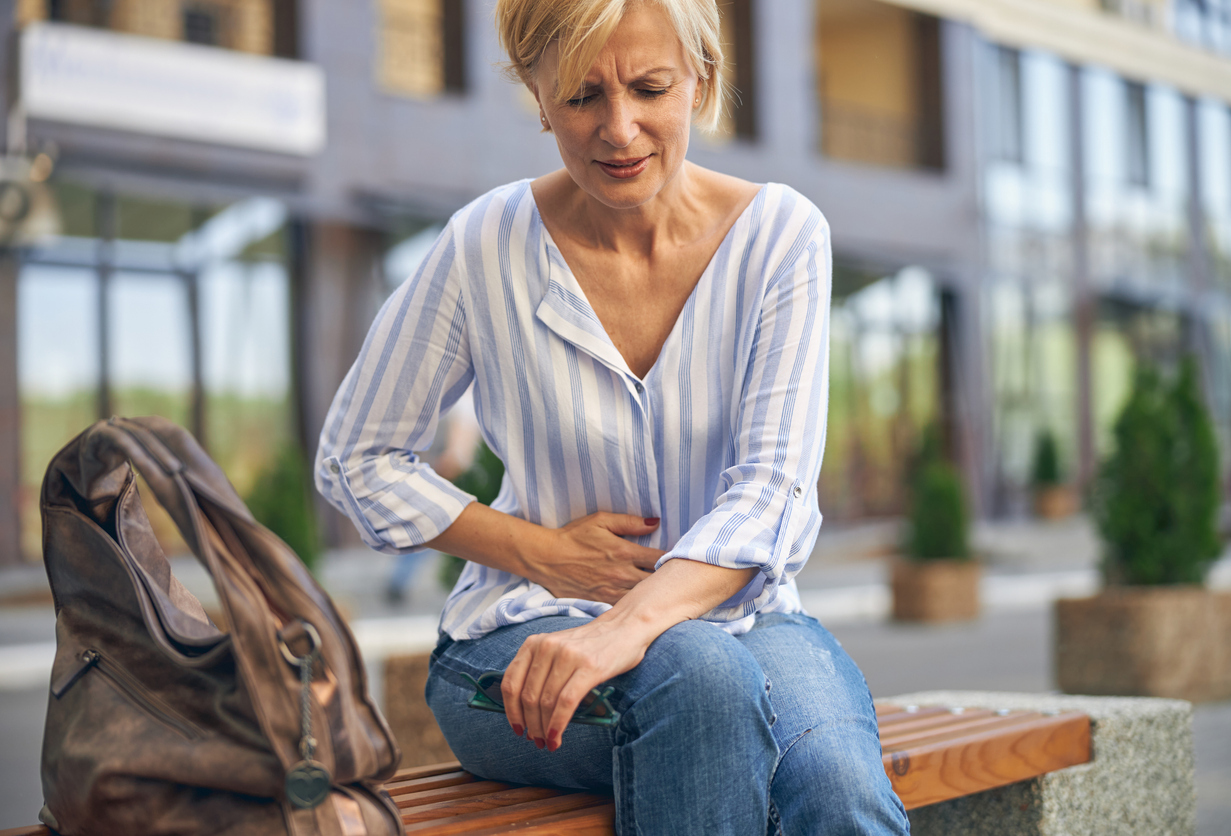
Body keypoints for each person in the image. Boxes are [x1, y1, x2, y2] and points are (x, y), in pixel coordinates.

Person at [316, 0, 909, 832]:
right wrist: (541, 552)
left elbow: (773, 494)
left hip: (748, 621)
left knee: (837, 790)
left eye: (649, 87)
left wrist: (625, 626)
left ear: (700, 80)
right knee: (701, 687)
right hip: (516, 641)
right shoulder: (482, 246)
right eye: (582, 97)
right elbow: (356, 455)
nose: (619, 129)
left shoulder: (781, 238)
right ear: (536, 91)